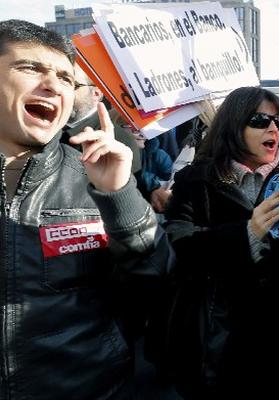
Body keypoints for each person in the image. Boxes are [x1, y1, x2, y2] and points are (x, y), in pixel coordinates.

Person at [0, 19, 172, 399]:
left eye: (65, 78)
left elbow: (155, 287)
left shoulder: (92, 178)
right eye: (30, 68)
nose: (52, 85)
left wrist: (121, 196)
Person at [164, 86, 279, 399]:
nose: (273, 128)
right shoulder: (194, 181)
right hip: (226, 341)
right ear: (234, 124)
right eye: (260, 120)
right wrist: (249, 232)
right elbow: (178, 246)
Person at [61, 63, 142, 174]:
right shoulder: (46, 126)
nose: (61, 91)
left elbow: (123, 188)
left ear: (96, 93)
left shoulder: (119, 141)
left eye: (73, 84)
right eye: (62, 82)